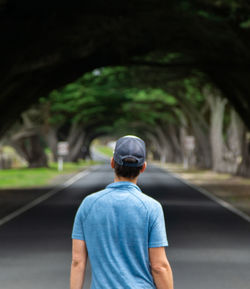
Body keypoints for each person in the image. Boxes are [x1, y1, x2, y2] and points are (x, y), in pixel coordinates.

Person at [70, 135, 174, 289]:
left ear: (112, 163)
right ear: (143, 167)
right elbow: (159, 266)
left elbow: (78, 261)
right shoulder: (151, 207)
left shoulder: (88, 204)